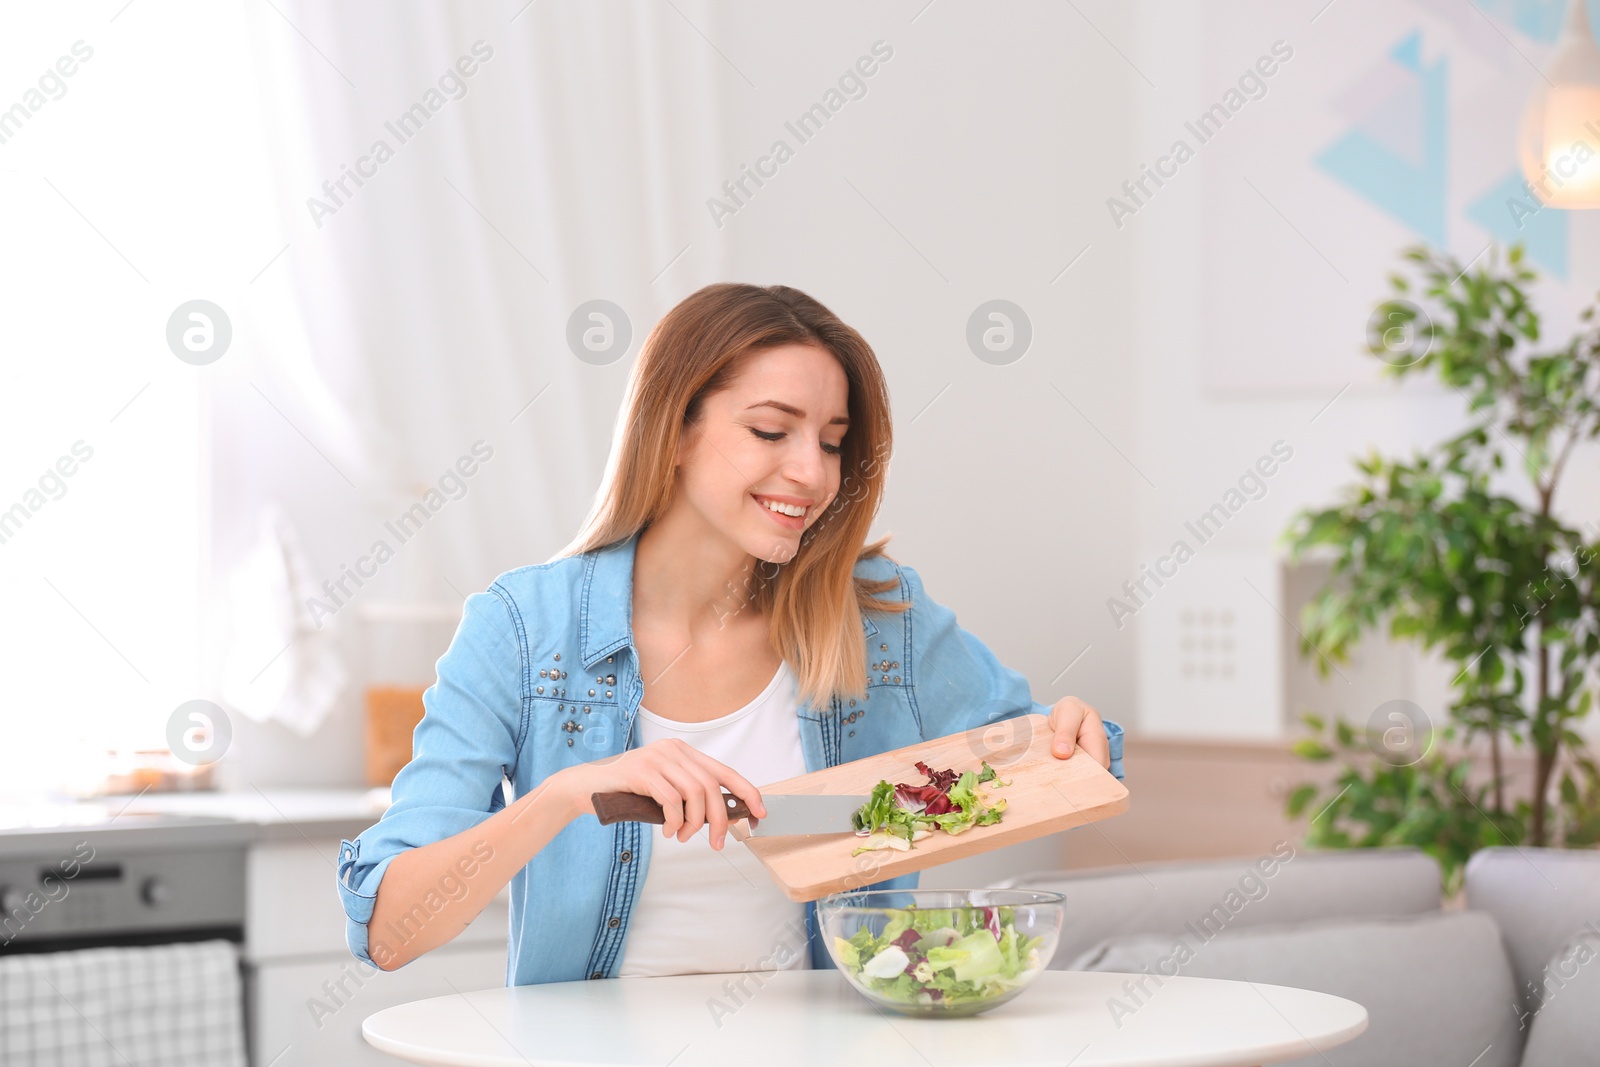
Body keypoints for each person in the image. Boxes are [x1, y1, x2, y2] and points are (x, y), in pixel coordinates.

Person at [336, 283, 1124, 985]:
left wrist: (1074, 738)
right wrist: (566, 796)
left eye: (830, 440)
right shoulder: (521, 628)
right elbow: (390, 929)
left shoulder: (878, 615)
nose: (813, 474)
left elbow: (1029, 763)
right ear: (673, 431)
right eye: (772, 431)